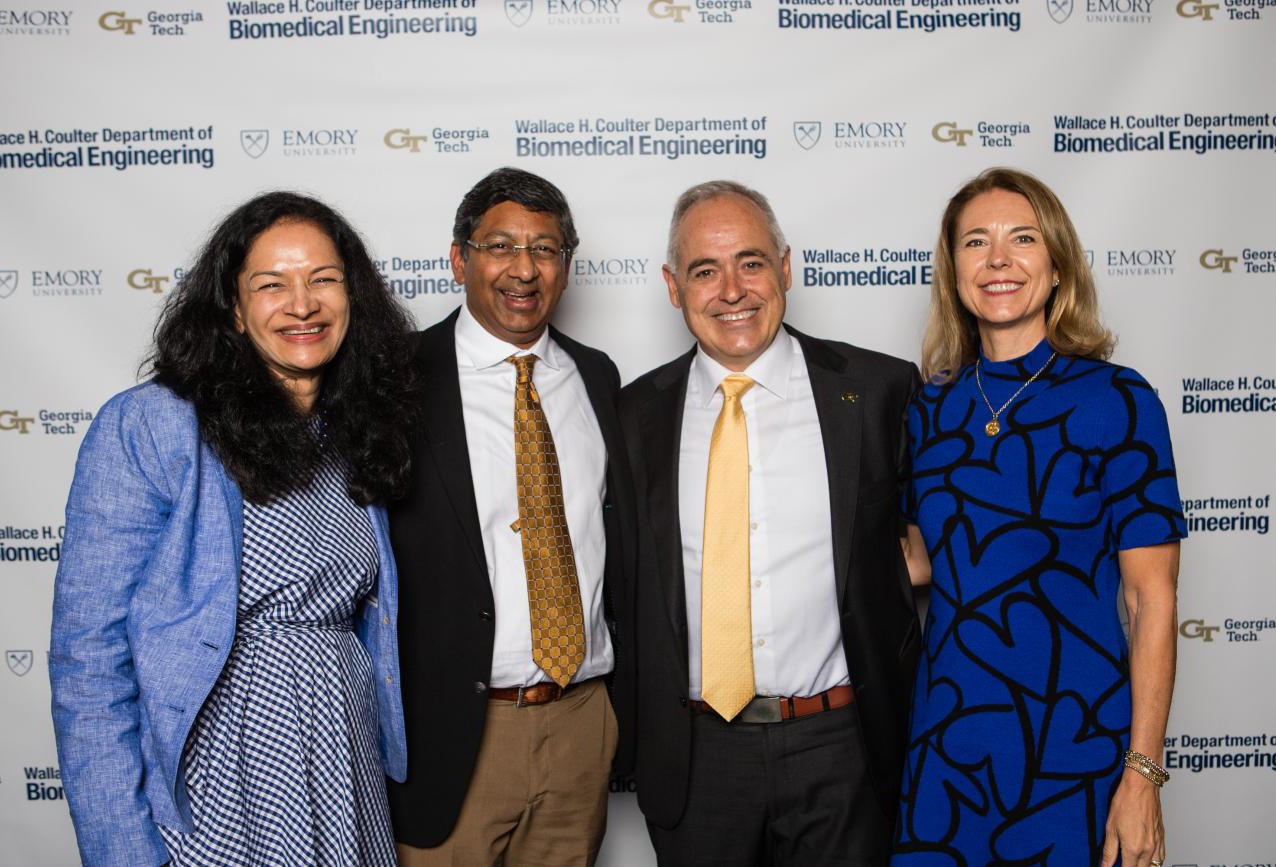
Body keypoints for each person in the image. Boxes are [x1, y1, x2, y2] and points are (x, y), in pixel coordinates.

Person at [48, 191, 419, 867]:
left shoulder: (354, 428)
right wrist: (122, 852)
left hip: (342, 758)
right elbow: (89, 665)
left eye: (323, 280)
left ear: (353, 297)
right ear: (233, 310)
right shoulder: (154, 425)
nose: (301, 303)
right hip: (220, 774)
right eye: (271, 284)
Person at [618, 180, 922, 866]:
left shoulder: (878, 391)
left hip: (841, 746)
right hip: (698, 756)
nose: (732, 290)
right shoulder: (632, 416)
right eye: (705, 270)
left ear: (786, 267)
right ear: (673, 286)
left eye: (751, 262)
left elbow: (940, 535)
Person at [892, 167, 1185, 867]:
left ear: (1056, 266)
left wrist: (1141, 775)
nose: (998, 260)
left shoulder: (1117, 400)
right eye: (975, 242)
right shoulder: (930, 406)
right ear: (953, 269)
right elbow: (921, 560)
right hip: (947, 746)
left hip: (1075, 743)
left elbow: (1151, 599)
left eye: (1022, 239)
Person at [384, 167, 636, 867]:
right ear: (460, 257)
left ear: (567, 265)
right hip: (453, 733)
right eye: (501, 245)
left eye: (546, 248)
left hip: (581, 723)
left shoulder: (597, 376)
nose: (524, 269)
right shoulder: (395, 380)